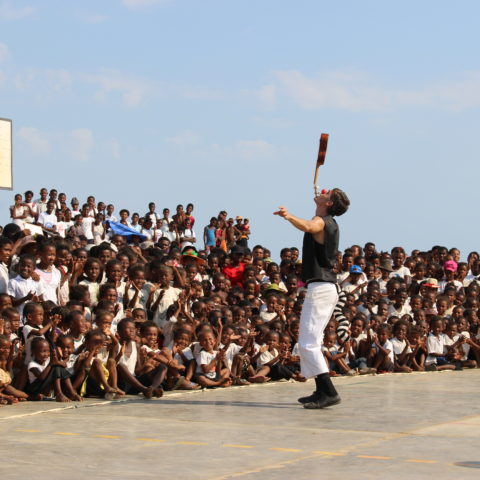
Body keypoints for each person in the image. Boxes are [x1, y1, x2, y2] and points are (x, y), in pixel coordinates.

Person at [274, 187, 350, 409]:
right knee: (310, 342)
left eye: (328, 193)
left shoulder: (322, 221)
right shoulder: (325, 220)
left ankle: (329, 392)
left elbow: (309, 226)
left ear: (329, 203)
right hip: (323, 287)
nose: (323, 190)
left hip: (321, 287)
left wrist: (288, 216)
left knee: (307, 342)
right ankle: (320, 390)